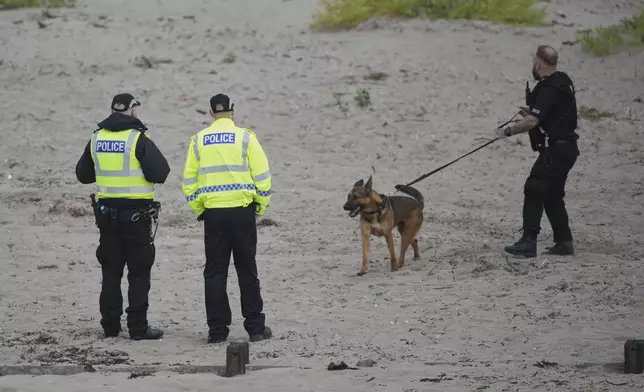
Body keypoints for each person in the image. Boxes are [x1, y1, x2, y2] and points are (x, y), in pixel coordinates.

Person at [75, 93, 170, 340]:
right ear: (132, 110)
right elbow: (161, 172)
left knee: (110, 273)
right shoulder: (137, 139)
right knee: (138, 274)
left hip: (107, 218)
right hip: (137, 218)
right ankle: (137, 328)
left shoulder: (97, 138)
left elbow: (84, 175)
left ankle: (110, 327)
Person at [181, 93, 273, 344]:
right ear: (233, 110)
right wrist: (259, 206)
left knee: (215, 273)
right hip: (242, 212)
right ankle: (255, 328)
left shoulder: (198, 141)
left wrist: (200, 208)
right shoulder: (246, 137)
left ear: (211, 113)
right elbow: (263, 176)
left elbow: (188, 182)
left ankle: (217, 331)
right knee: (247, 270)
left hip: (214, 215)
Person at [495, 45, 579, 258]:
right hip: (567, 149)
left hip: (555, 151)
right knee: (551, 194)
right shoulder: (563, 81)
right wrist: (532, 112)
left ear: (539, 62)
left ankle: (528, 242)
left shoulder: (549, 87)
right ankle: (564, 242)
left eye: (534, 62)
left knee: (534, 188)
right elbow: (554, 113)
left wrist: (508, 130)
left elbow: (533, 121)